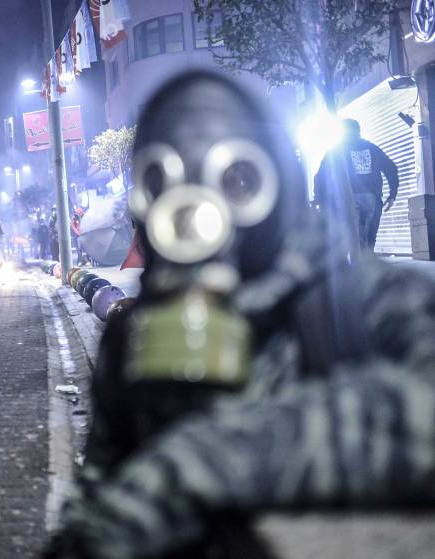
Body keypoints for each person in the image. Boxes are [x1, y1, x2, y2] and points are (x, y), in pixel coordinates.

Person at [45, 71, 435, 558]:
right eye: (164, 180)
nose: (197, 204)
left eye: (237, 179)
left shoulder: (358, 301)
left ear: (278, 182)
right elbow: (100, 495)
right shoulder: (135, 337)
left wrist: (195, 467)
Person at [314, 118, 399, 251]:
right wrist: (392, 194)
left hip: (348, 198)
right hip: (372, 198)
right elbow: (391, 168)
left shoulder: (336, 150)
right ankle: (366, 264)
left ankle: (358, 266)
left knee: (352, 238)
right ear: (358, 131)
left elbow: (321, 176)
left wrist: (320, 200)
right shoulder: (372, 148)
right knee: (368, 238)